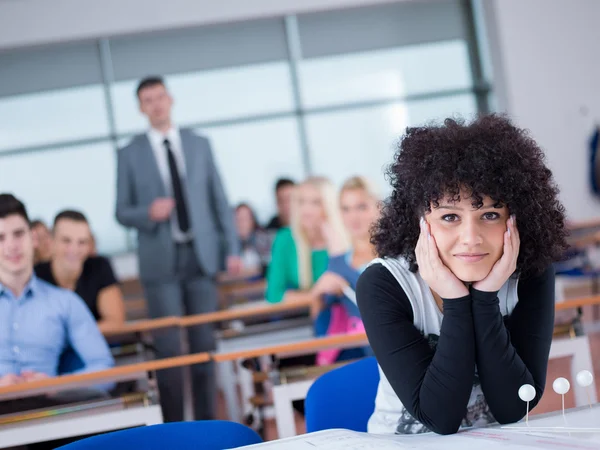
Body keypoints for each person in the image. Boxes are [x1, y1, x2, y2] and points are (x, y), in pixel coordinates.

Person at [356, 115, 568, 435]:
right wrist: (456, 298)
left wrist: (484, 298)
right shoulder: (385, 284)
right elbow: (439, 417)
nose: (471, 237)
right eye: (450, 216)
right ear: (420, 221)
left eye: (490, 215)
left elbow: (514, 407)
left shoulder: (531, 273)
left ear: (516, 217)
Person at [115, 76, 241, 422]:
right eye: (147, 100)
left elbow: (219, 198)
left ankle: (204, 425)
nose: (155, 104)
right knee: (169, 351)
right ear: (141, 108)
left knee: (204, 346)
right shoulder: (129, 153)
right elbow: (120, 210)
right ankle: (172, 428)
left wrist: (231, 247)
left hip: (201, 257)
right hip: (160, 262)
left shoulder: (199, 144)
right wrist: (147, 213)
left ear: (170, 99)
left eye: (160, 97)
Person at [0, 194, 114, 409]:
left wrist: (55, 385)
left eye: (18, 234)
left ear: (33, 238)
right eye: (1, 238)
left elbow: (105, 369)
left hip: (48, 414)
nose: (11, 246)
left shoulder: (65, 302)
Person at [312, 176, 380, 365]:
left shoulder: (395, 257)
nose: (353, 217)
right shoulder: (337, 264)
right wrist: (318, 293)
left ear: (379, 208)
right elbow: (319, 325)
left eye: (361, 207)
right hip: (362, 357)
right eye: (346, 209)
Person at [265, 176, 349, 317]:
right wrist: (316, 294)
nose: (306, 210)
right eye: (301, 202)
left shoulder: (346, 236)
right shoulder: (285, 239)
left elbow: (349, 290)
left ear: (329, 206)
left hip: (347, 319)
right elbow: (274, 295)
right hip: (302, 319)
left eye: (316, 203)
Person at [35, 210, 126, 333]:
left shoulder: (99, 266)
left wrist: (68, 335)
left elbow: (115, 323)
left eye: (82, 242)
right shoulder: (36, 275)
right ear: (52, 242)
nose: (74, 249)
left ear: (89, 244)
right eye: (66, 241)